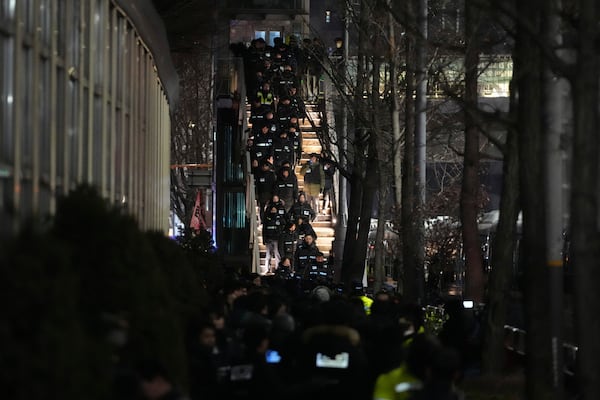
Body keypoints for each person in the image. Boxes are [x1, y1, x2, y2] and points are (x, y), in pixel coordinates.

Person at [262, 205, 284, 274]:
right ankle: (267, 269)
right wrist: (264, 239)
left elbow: (282, 226)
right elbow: (264, 229)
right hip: (269, 239)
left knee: (277, 254)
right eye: (272, 210)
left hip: (276, 239)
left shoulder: (279, 218)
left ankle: (278, 269)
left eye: (275, 210)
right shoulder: (267, 218)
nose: (273, 211)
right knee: (268, 255)